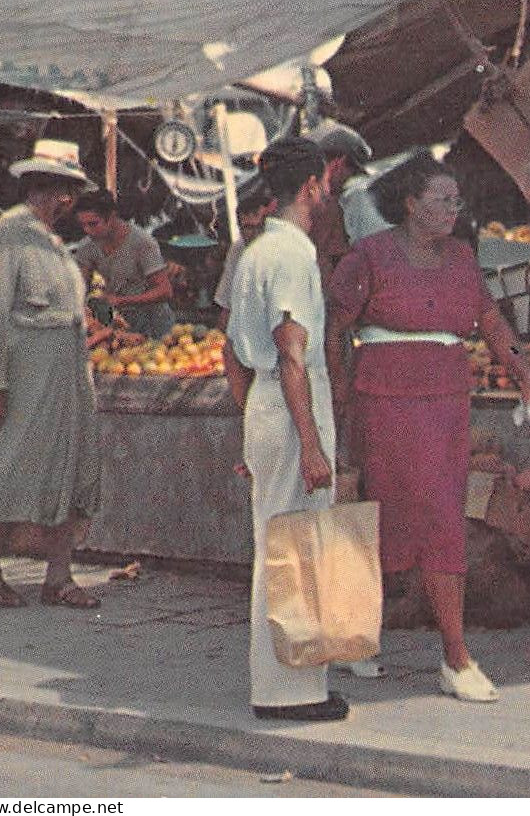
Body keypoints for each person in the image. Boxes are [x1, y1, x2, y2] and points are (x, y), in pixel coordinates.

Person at [326, 151, 530, 701]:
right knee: (386, 521)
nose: (453, 209)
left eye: (455, 199)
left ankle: (454, 655)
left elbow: (492, 320)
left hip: (446, 405)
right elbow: (333, 332)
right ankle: (363, 638)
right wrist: (333, 405)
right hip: (383, 405)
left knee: (442, 519)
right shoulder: (368, 257)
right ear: (409, 204)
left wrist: (525, 375)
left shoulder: (463, 259)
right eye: (441, 199)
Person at [223, 137, 347, 722]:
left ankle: (290, 681)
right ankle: (289, 690)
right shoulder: (292, 254)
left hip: (266, 404)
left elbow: (233, 351)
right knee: (295, 544)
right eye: (323, 182)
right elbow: (292, 352)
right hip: (291, 404)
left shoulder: (253, 251)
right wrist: (313, 444)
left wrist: (253, 424)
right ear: (310, 187)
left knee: (279, 541)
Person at [0, 140, 102, 610]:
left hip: (65, 377)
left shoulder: (52, 241)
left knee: (69, 471)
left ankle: (58, 576)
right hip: (23, 377)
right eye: (69, 191)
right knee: (6, 470)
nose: (72, 201)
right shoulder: (11, 233)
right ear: (57, 192)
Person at [72, 189, 175, 340]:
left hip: (157, 325)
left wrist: (121, 301)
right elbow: (80, 289)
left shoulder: (142, 243)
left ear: (112, 217)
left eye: (93, 224)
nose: (88, 230)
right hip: (124, 325)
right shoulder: (87, 247)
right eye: (83, 225)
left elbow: (164, 291)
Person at [304, 119, 385, 287]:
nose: (346, 182)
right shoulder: (327, 207)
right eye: (351, 172)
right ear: (339, 164)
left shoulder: (290, 202)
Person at [214, 179, 278, 330]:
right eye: (248, 228)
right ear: (240, 229)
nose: (255, 234)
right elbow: (226, 302)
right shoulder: (238, 249)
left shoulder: (279, 250)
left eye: (259, 228)